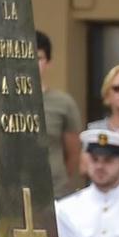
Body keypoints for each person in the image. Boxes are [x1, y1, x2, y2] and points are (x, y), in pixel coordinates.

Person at [36, 31, 82, 196]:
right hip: (13, 192)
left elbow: (74, 152)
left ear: (48, 62)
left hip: (55, 190)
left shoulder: (64, 103)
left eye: (39, 58)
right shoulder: (4, 100)